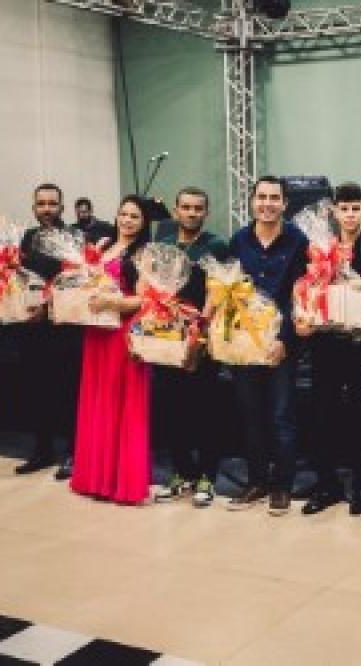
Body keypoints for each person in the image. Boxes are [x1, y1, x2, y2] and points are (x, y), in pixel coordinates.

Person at [295, 182, 361, 516]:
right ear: (334, 211)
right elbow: (304, 288)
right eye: (344, 209)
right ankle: (327, 484)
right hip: (325, 343)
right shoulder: (318, 246)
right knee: (323, 415)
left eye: (356, 208)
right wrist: (302, 317)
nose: (350, 214)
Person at [225, 176, 309, 516]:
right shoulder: (238, 240)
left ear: (284, 203)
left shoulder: (298, 241)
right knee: (251, 414)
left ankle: (282, 486)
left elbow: (300, 295)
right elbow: (229, 290)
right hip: (244, 342)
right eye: (262, 197)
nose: (267, 204)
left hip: (280, 344)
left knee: (281, 416)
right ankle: (257, 481)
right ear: (252, 201)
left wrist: (284, 339)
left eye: (275, 198)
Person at [70, 194, 152, 504]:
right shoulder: (103, 248)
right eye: (124, 214)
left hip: (123, 334)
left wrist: (112, 302)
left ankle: (122, 482)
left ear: (143, 222)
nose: (127, 220)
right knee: (98, 402)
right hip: (96, 333)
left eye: (135, 216)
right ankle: (95, 477)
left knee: (122, 404)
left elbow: (144, 300)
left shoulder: (144, 254)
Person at [150, 186, 229, 507]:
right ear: (175, 210)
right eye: (186, 207)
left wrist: (200, 332)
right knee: (172, 410)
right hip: (167, 338)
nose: (192, 213)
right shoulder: (163, 246)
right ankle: (182, 473)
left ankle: (207, 476)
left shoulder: (216, 245)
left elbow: (217, 292)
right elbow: (153, 290)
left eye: (198, 208)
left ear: (206, 212)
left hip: (202, 339)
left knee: (204, 410)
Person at [12, 184, 84, 477]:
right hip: (32, 328)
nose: (46, 209)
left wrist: (50, 304)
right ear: (33, 208)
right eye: (41, 204)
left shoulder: (74, 238)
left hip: (64, 328)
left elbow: (78, 280)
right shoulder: (27, 238)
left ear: (62, 207)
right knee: (36, 391)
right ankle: (42, 451)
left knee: (67, 393)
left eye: (52, 203)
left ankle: (73, 454)